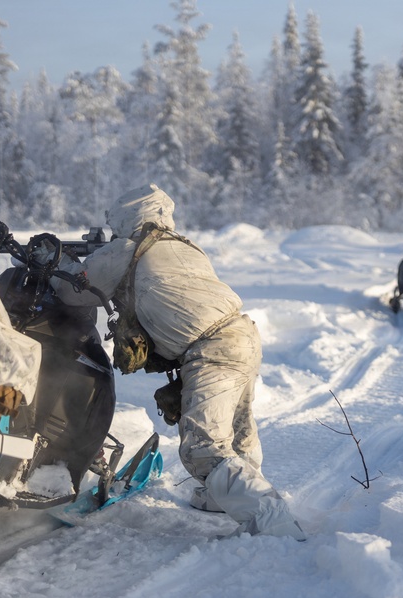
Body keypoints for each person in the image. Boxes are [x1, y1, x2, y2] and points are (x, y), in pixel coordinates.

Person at [43, 183, 306, 541]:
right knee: (238, 428)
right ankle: (219, 497)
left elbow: (71, 290)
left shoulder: (125, 250)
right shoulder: (186, 246)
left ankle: (273, 522)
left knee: (204, 447)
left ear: (125, 216)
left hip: (211, 350)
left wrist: (58, 261)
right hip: (242, 334)